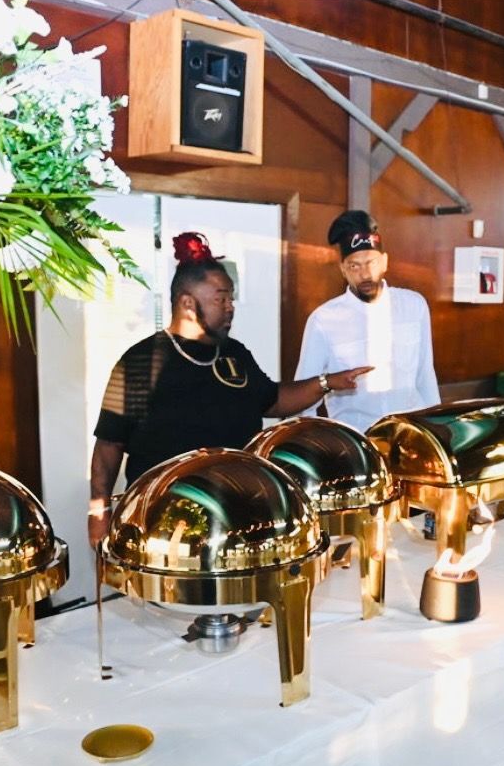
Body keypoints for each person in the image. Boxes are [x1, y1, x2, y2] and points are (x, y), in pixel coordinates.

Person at [87, 232, 371, 548]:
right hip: (164, 522)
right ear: (187, 303)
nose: (230, 307)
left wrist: (327, 382)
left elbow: (274, 401)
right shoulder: (139, 362)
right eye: (221, 298)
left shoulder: (235, 354)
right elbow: (108, 446)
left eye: (231, 298)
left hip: (237, 517)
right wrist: (99, 513)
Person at [294, 209, 440, 434]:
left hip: (412, 436)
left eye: (371, 262)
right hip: (359, 441)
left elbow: (425, 376)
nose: (365, 274)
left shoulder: (414, 305)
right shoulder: (324, 320)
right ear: (343, 269)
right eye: (354, 266)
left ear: (384, 262)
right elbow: (304, 395)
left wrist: (437, 431)